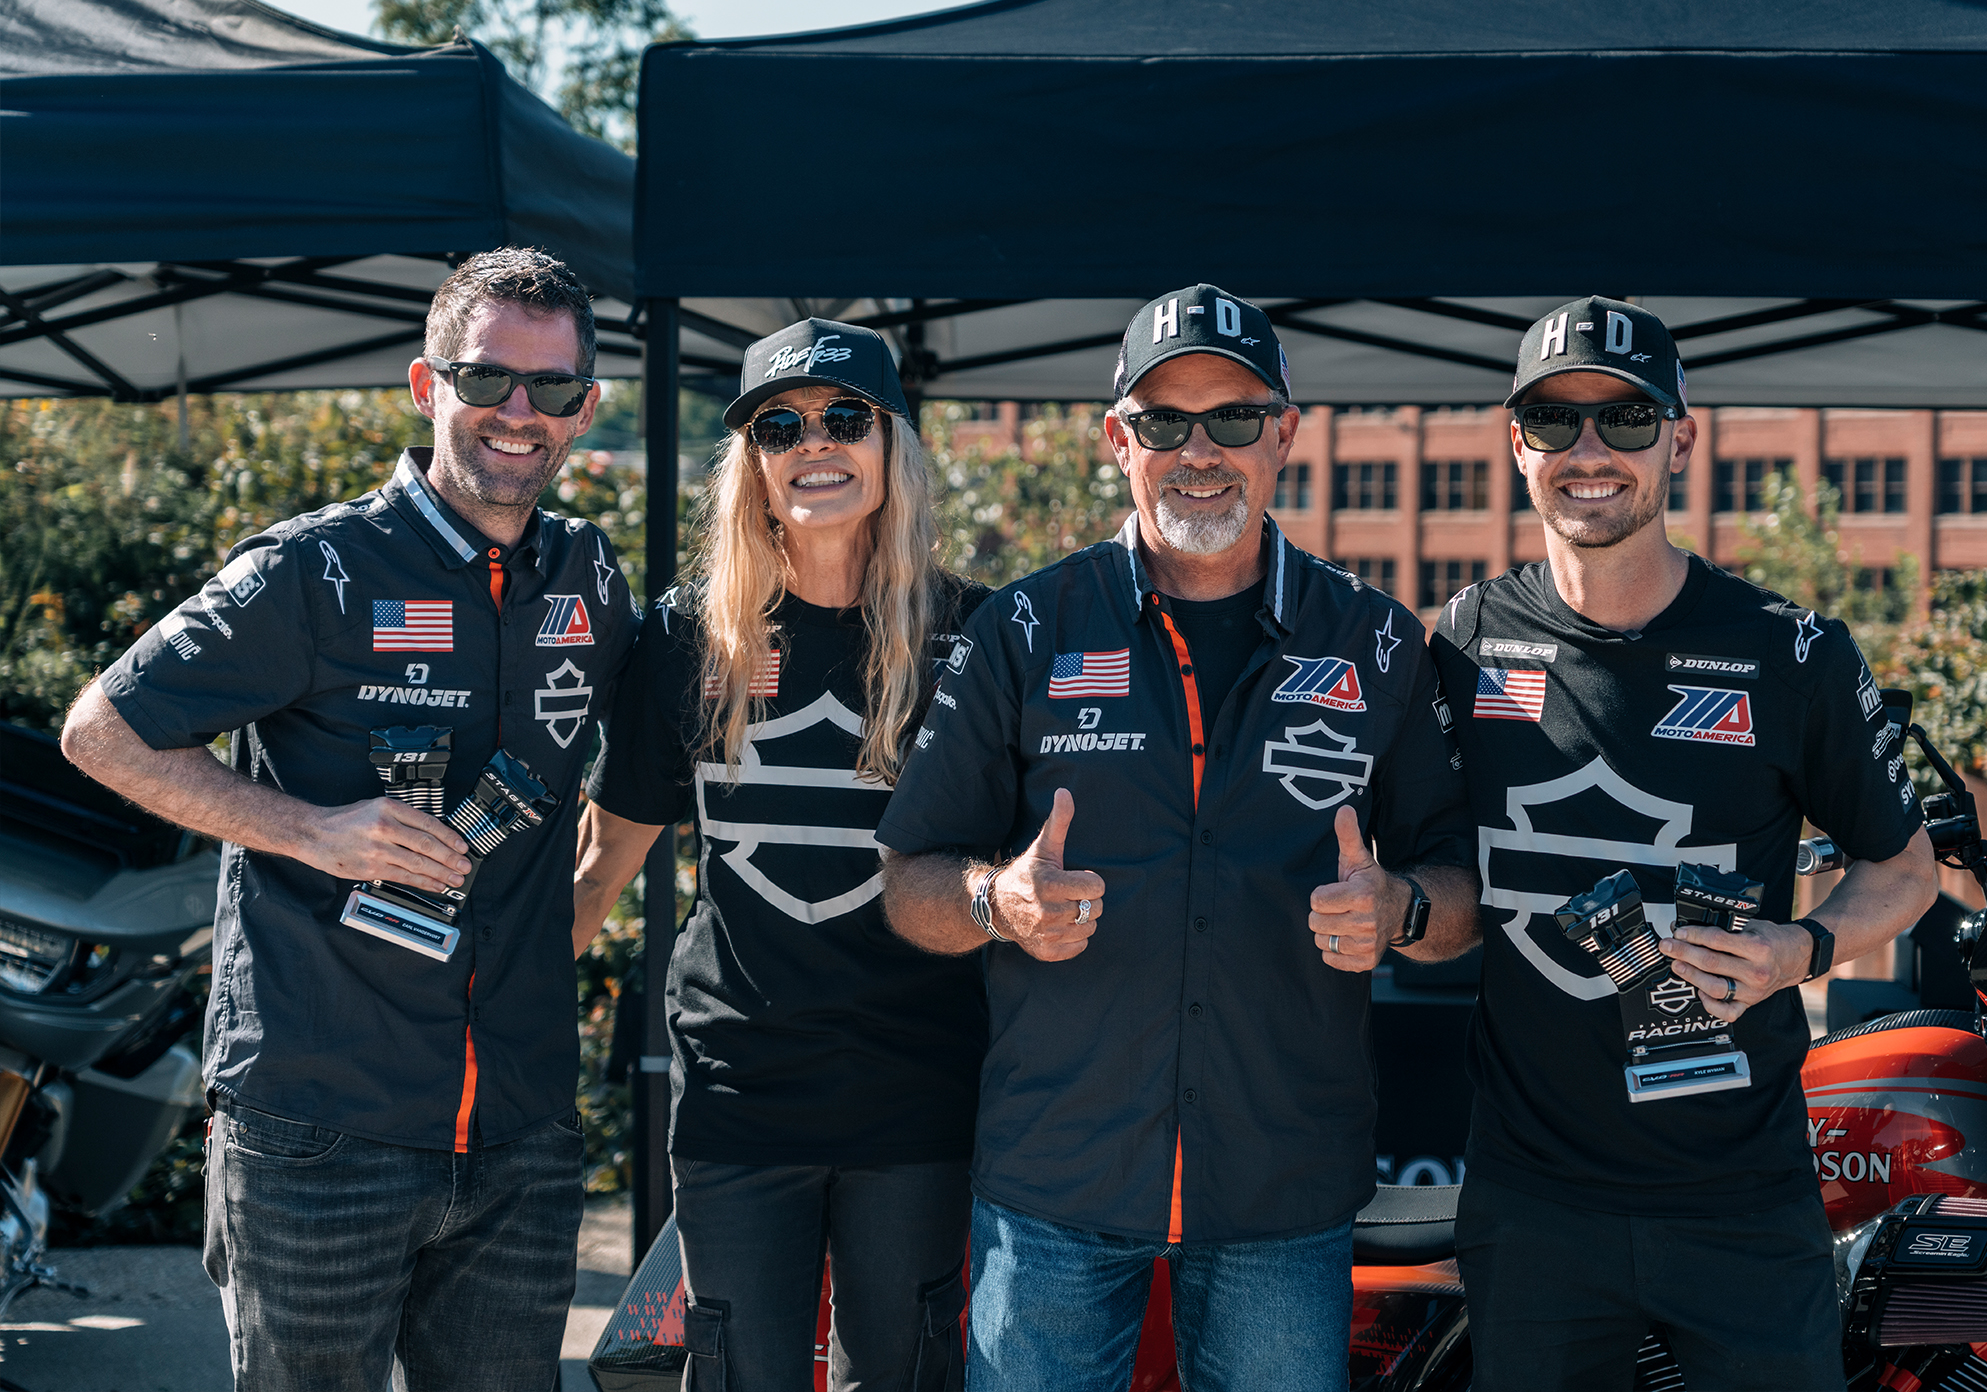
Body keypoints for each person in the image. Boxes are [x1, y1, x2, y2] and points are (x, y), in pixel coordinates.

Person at [873, 284, 1480, 1392]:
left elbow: (1460, 887)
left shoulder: (1378, 641)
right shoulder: (1022, 627)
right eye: (1163, 422)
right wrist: (992, 902)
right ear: (1118, 440)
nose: (1198, 451)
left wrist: (1401, 911)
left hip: (1278, 1188)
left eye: (1234, 418)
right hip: (1054, 1178)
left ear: (1285, 433)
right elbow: (908, 876)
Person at [60, 248, 638, 1391]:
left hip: (519, 1131)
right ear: (427, 388)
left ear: (585, 409)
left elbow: (656, 758)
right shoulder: (312, 570)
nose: (517, 414)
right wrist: (309, 831)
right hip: (318, 1124)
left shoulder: (591, 579)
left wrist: (583, 903)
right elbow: (101, 731)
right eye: (486, 382)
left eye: (552, 390)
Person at [1431, 297, 1939, 1392]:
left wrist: (1800, 949)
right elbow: (1433, 876)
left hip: (1738, 1201)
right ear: (1514, 440)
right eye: (1553, 421)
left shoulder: (1788, 652)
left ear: (1681, 436)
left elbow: (1902, 867)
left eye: (1625, 417)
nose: (1589, 451)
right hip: (1533, 1203)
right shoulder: (1465, 641)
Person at [574, 319, 990, 1392]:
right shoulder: (687, 638)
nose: (817, 442)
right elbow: (602, 864)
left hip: (919, 1086)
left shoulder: (977, 638)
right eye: (781, 424)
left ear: (891, 445)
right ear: (752, 462)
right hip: (739, 1090)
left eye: (845, 418)